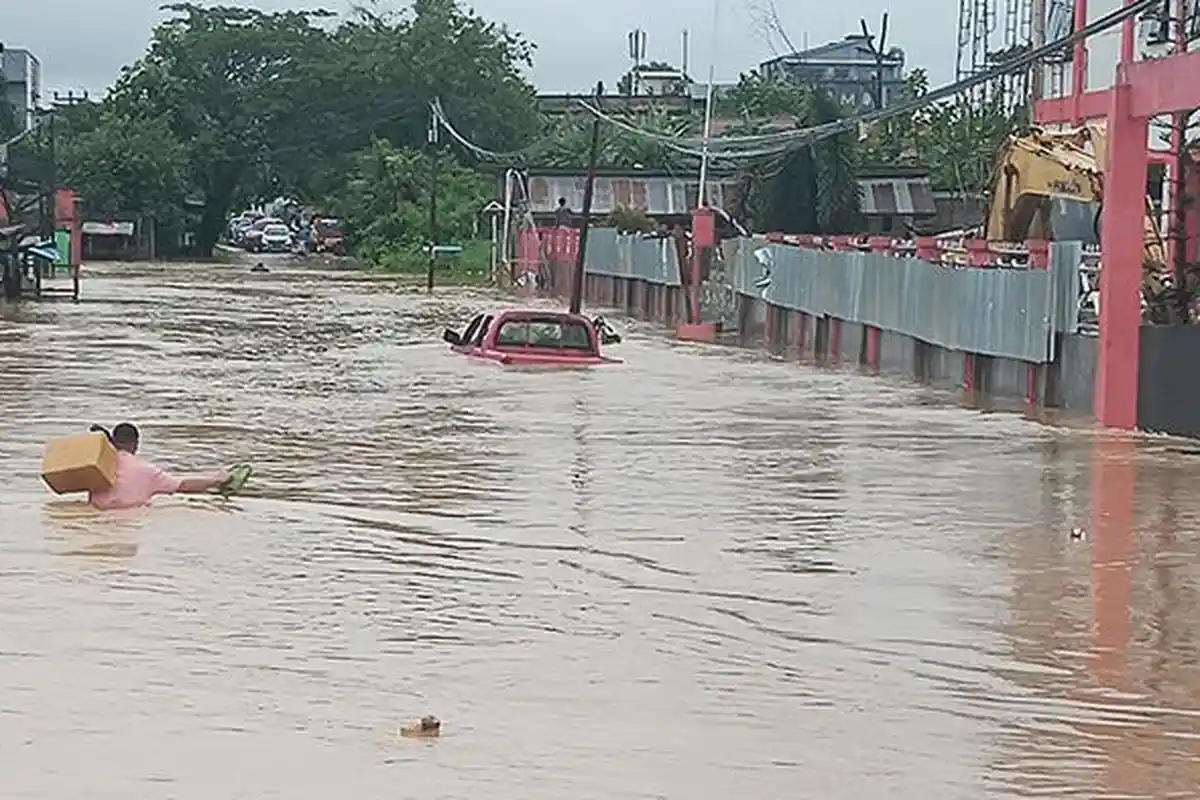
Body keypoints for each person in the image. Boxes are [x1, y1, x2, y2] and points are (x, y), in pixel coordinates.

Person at [87, 423, 231, 511]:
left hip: (96, 513)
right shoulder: (146, 470)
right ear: (136, 444)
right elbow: (183, 485)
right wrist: (215, 480)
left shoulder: (97, 464)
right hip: (130, 516)